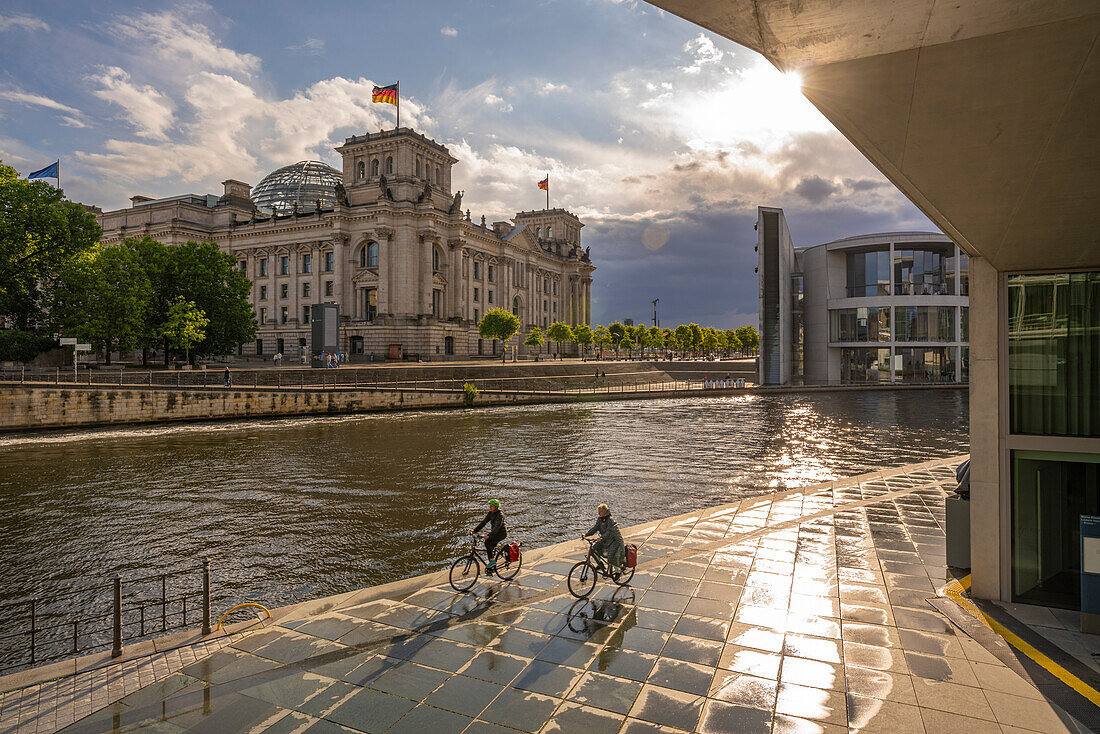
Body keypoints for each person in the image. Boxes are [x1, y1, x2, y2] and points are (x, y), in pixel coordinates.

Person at [583, 503, 625, 574]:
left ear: (605, 511)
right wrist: (586, 534)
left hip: (614, 540)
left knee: (611, 557)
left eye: (601, 511)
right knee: (594, 549)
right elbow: (595, 528)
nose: (599, 513)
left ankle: (618, 571)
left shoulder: (610, 520)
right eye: (598, 512)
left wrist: (601, 538)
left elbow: (609, 532)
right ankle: (600, 565)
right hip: (605, 539)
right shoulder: (600, 519)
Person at [471, 499, 508, 569]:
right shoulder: (490, 513)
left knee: (487, 542)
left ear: (496, 507)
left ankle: (492, 562)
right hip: (495, 533)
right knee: (490, 548)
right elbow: (484, 522)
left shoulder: (500, 515)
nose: (490, 508)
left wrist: (489, 535)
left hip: (501, 534)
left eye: (492, 506)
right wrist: (475, 530)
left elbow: (497, 526)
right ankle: (492, 566)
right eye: (490, 506)